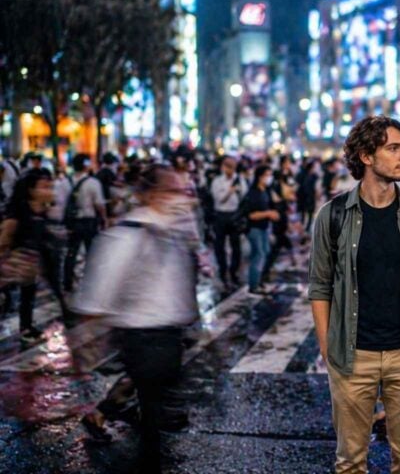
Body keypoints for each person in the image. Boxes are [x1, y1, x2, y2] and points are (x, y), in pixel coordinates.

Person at [309, 115, 400, 474]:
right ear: (366, 156)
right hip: (352, 355)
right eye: (393, 148)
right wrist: (327, 346)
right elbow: (320, 286)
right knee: (350, 462)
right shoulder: (333, 216)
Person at [72, 165, 201, 472]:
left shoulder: (176, 230)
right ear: (152, 194)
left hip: (170, 335)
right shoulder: (128, 233)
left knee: (154, 403)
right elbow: (98, 294)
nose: (182, 198)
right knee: (153, 416)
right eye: (173, 190)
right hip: (142, 337)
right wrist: (86, 342)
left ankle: (111, 414)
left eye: (183, 190)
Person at [0, 169, 71, 342]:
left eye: (51, 187)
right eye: (44, 187)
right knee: (8, 299)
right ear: (31, 190)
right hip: (15, 263)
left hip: (33, 262)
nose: (50, 191)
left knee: (29, 295)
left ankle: (27, 327)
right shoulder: (19, 211)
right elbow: (5, 237)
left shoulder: (42, 210)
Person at [63, 154, 107, 292]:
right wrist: (104, 218)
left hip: (72, 221)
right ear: (86, 165)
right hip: (88, 221)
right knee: (92, 251)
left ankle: (67, 281)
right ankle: (92, 281)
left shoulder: (65, 181)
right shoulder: (93, 182)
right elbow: (99, 204)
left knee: (71, 251)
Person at [210, 155, 247, 289]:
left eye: (233, 167)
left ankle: (234, 272)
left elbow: (244, 196)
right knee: (219, 246)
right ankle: (222, 271)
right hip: (220, 215)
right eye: (228, 167)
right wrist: (230, 191)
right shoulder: (217, 181)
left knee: (236, 247)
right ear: (223, 167)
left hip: (234, 215)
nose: (230, 170)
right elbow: (218, 199)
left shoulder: (240, 180)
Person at [242, 165, 280, 294]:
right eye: (267, 175)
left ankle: (259, 281)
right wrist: (268, 213)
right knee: (258, 254)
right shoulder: (253, 193)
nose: (269, 178)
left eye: (270, 175)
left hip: (264, 227)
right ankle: (253, 285)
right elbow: (250, 215)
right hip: (254, 228)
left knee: (265, 252)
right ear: (259, 177)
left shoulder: (266, 191)